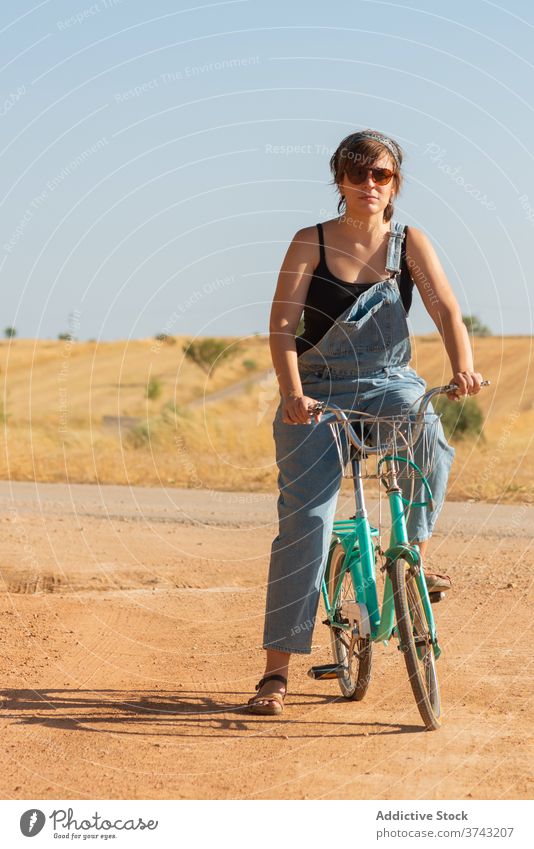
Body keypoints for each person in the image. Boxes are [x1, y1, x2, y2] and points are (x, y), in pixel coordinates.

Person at [246, 129, 483, 716]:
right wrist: (293, 393)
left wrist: (464, 369)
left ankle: (413, 560)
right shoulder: (311, 242)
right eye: (357, 175)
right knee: (307, 521)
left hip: (387, 383)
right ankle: (275, 674)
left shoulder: (411, 246)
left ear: (395, 182)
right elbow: (282, 326)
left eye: (381, 175)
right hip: (317, 391)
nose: (369, 185)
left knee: (427, 433)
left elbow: (445, 309)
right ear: (340, 181)